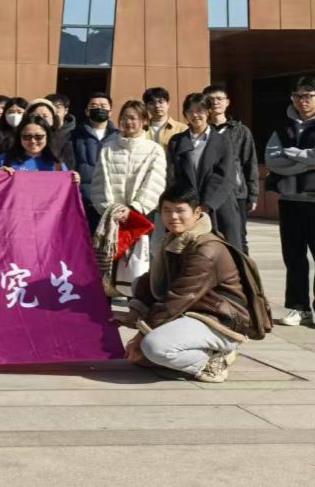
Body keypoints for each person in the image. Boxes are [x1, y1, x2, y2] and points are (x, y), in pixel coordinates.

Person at [115, 188, 253, 383]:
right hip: (191, 311)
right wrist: (135, 312)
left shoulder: (206, 249)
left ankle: (211, 360)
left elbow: (179, 296)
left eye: (180, 211)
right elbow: (151, 279)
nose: (173, 217)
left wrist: (142, 334)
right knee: (143, 356)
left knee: (154, 347)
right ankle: (195, 349)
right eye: (167, 210)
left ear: (197, 213)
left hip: (218, 319)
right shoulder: (175, 239)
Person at [265, 76, 315, 331]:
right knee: (293, 258)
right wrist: (308, 161)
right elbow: (273, 161)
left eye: (308, 95)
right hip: (289, 199)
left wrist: (292, 153)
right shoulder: (282, 127)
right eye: (298, 95)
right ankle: (298, 307)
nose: (303, 100)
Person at [92, 100, 167, 284]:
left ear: (144, 121)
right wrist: (110, 209)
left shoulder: (154, 150)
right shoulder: (108, 148)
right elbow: (100, 182)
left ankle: (137, 300)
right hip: (112, 217)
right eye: (124, 118)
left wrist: (134, 208)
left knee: (137, 265)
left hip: (140, 217)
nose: (128, 122)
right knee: (108, 265)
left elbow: (155, 183)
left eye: (133, 118)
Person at [166, 93, 239, 247]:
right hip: (188, 206)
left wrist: (207, 204)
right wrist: (188, 203)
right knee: (189, 249)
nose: (195, 115)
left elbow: (226, 175)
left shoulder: (222, 141)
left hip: (218, 204)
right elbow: (173, 176)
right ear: (185, 114)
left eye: (200, 110)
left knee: (222, 248)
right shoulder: (177, 141)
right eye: (190, 111)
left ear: (208, 112)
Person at [203, 83, 260, 253]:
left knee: (238, 237)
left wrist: (253, 194)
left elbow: (249, 163)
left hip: (236, 192)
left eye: (219, 99)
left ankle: (242, 269)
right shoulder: (201, 130)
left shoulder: (241, 131)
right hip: (206, 192)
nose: (215, 102)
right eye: (210, 99)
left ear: (227, 102)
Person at [72, 92, 118, 232]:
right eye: (94, 106)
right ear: (87, 111)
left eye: (103, 106)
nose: (99, 109)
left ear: (110, 111)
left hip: (111, 199)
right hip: (83, 198)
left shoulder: (119, 136)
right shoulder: (75, 135)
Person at [0, 115, 81, 185]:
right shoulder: (5, 160)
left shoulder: (57, 165)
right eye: (27, 137)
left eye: (39, 137)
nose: (33, 141)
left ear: (47, 137)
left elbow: (65, 193)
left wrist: (74, 181)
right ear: (19, 138)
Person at [26, 98, 78, 169]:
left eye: (45, 116)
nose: (40, 119)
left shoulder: (64, 139)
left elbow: (68, 166)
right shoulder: (20, 138)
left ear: (53, 119)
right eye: (36, 115)